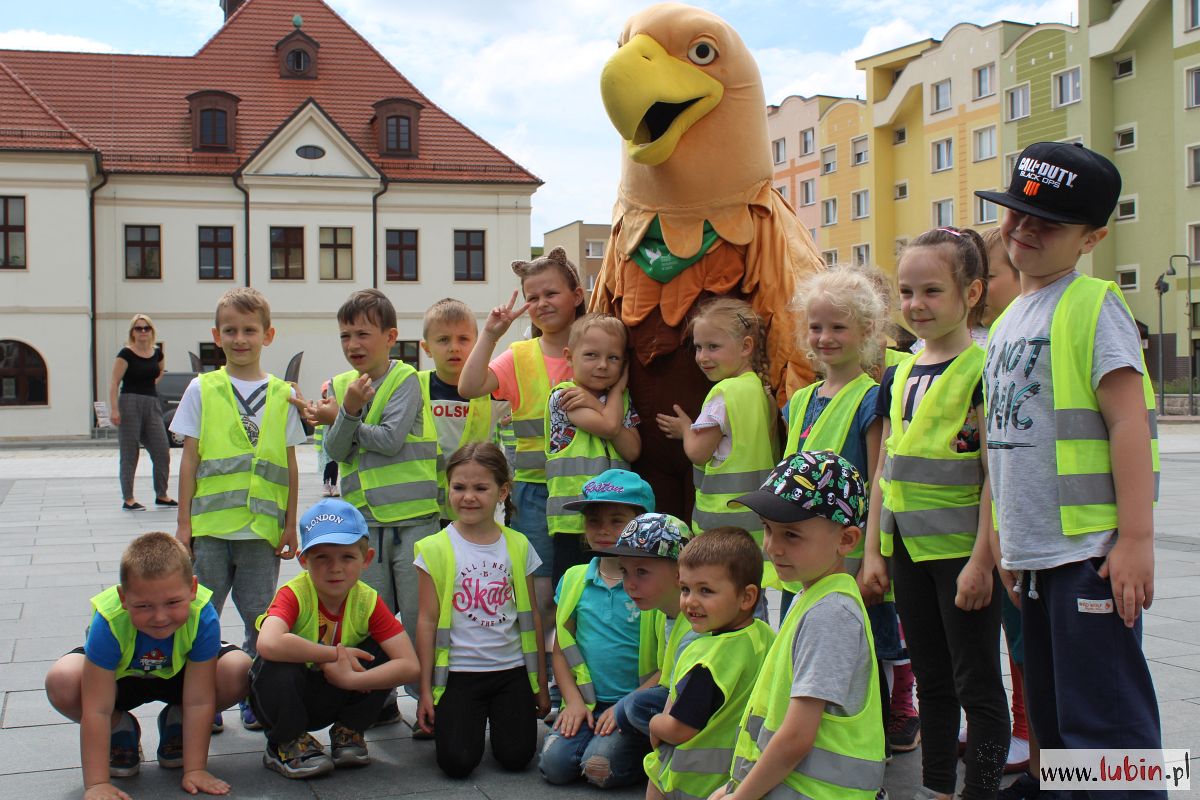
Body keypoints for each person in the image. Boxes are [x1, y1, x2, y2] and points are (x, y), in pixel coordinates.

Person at [976, 142, 1162, 800]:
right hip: (1035, 556)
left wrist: (1135, 540)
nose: (1024, 231)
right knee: (1054, 715)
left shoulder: (1093, 304)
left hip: (1090, 553)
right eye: (1015, 215)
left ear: (1093, 238)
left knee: (1108, 723)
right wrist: (1002, 532)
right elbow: (1003, 439)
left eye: (1048, 223)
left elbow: (1128, 424)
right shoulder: (1007, 322)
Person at [861, 226, 1008, 800]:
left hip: (962, 560)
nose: (916, 305)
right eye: (906, 292)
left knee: (978, 685)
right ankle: (936, 788)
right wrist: (874, 550)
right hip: (910, 558)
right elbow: (885, 471)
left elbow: (997, 472)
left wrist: (982, 560)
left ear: (972, 293)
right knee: (931, 681)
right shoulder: (899, 373)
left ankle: (984, 791)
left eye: (931, 291)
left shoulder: (983, 368)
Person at [786, 267, 913, 762]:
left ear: (866, 331)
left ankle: (881, 734)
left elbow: (880, 476)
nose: (825, 337)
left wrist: (874, 555)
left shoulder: (869, 397)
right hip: (808, 560)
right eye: (816, 327)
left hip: (852, 558)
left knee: (872, 650)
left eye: (838, 327)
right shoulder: (798, 401)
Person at [171, 287, 304, 731]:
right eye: (231, 330)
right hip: (210, 529)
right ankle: (198, 702)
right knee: (198, 618)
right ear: (216, 335)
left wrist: (290, 525)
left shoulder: (283, 393)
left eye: (250, 330)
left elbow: (288, 463)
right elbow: (189, 458)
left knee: (259, 621)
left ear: (268, 335)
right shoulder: (202, 388)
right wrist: (183, 524)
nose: (240, 338)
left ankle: (252, 696)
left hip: (260, 534)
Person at [720, 451, 886, 800]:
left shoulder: (831, 613)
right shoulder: (811, 595)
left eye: (791, 535)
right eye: (768, 529)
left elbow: (796, 737)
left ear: (846, 540)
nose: (772, 547)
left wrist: (739, 797)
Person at [458, 247, 585, 694]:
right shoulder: (520, 354)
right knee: (542, 597)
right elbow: (470, 385)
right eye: (532, 297)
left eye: (551, 292)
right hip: (535, 495)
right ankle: (541, 679)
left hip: (591, 494)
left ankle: (579, 678)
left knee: (585, 596)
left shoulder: (596, 345)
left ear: (577, 294)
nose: (542, 302)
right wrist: (490, 334)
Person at [312, 288, 440, 723]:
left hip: (413, 520)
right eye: (345, 336)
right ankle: (376, 700)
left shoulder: (404, 379)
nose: (353, 345)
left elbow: (389, 440)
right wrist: (344, 415)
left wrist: (344, 418)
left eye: (363, 334)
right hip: (365, 523)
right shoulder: (344, 386)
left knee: (419, 617)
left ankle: (425, 696)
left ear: (390, 337)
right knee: (370, 616)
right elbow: (335, 450)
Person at [44, 532, 249, 800]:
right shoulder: (109, 621)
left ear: (192, 589)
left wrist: (196, 769)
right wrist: (96, 784)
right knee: (62, 680)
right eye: (143, 605)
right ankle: (120, 730)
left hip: (182, 678)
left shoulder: (202, 614)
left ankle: (179, 722)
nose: (160, 617)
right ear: (123, 597)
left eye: (173, 602)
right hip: (120, 681)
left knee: (239, 668)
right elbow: (97, 708)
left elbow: (199, 700)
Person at [251, 498, 420, 779]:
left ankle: (349, 731)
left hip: (340, 689)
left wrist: (352, 680)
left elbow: (409, 664)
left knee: (383, 650)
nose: (335, 568)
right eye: (322, 558)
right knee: (275, 659)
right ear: (304, 560)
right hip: (292, 696)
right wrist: (330, 655)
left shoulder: (367, 599)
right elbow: (267, 643)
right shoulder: (294, 594)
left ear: (366, 559)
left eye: (347, 557)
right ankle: (286, 742)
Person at [413, 442, 550, 778]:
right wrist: (426, 691)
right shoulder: (434, 548)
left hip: (511, 672)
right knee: (457, 763)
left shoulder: (518, 545)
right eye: (459, 487)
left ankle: (499, 718)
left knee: (517, 758)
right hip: (458, 675)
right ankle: (465, 722)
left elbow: (532, 617)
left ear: (502, 491)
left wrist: (541, 684)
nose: (468, 497)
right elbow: (427, 621)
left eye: (480, 488)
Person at [539, 469, 657, 789]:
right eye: (593, 521)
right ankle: (595, 740)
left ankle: (646, 751)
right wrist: (573, 701)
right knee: (555, 766)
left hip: (634, 705)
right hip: (587, 700)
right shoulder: (575, 578)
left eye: (617, 520)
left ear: (642, 522)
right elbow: (562, 648)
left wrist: (625, 707)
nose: (603, 530)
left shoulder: (657, 585)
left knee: (598, 769)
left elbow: (670, 663)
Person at [643, 528, 774, 800]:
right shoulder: (763, 636)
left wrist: (655, 723)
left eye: (705, 590)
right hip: (735, 777)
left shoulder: (709, 660)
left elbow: (679, 729)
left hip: (686, 781)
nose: (691, 601)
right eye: (685, 589)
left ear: (747, 598)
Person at [656, 297, 779, 562]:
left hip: (722, 525)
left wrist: (686, 429)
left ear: (746, 346)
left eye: (713, 347)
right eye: (698, 347)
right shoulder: (759, 390)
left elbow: (698, 452)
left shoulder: (723, 393)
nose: (702, 357)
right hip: (757, 524)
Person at [546, 313, 642, 583]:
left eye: (613, 358)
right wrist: (616, 392)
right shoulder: (564, 395)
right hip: (574, 522)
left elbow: (632, 450)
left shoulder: (619, 401)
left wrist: (608, 399)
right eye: (591, 355)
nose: (602, 365)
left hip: (617, 522)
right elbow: (611, 428)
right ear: (569, 356)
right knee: (573, 591)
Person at [600, 512, 701, 743]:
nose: (629, 584)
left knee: (635, 707)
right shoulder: (662, 611)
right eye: (624, 571)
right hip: (669, 706)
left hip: (687, 727)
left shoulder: (697, 627)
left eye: (642, 572)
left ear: (679, 572)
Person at [419, 298, 510, 525]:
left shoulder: (492, 389)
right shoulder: (413, 388)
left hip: (474, 507)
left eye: (463, 339)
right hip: (427, 508)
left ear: (477, 343)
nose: (454, 347)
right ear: (426, 348)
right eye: (443, 340)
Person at [109, 314, 174, 511]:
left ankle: (161, 495)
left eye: (146, 328)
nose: (143, 331)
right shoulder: (126, 354)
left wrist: (153, 382)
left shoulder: (157, 354)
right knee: (130, 453)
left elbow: (161, 370)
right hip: (129, 402)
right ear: (132, 332)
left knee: (162, 451)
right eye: (139, 328)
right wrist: (114, 409)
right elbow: (114, 383)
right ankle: (128, 498)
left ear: (152, 331)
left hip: (152, 403)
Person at [314, 380, 339, 497]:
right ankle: (326, 483)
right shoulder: (321, 406)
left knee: (334, 464)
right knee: (327, 464)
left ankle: (334, 485)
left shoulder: (337, 406)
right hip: (325, 441)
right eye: (325, 391)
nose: (327, 393)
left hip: (335, 439)